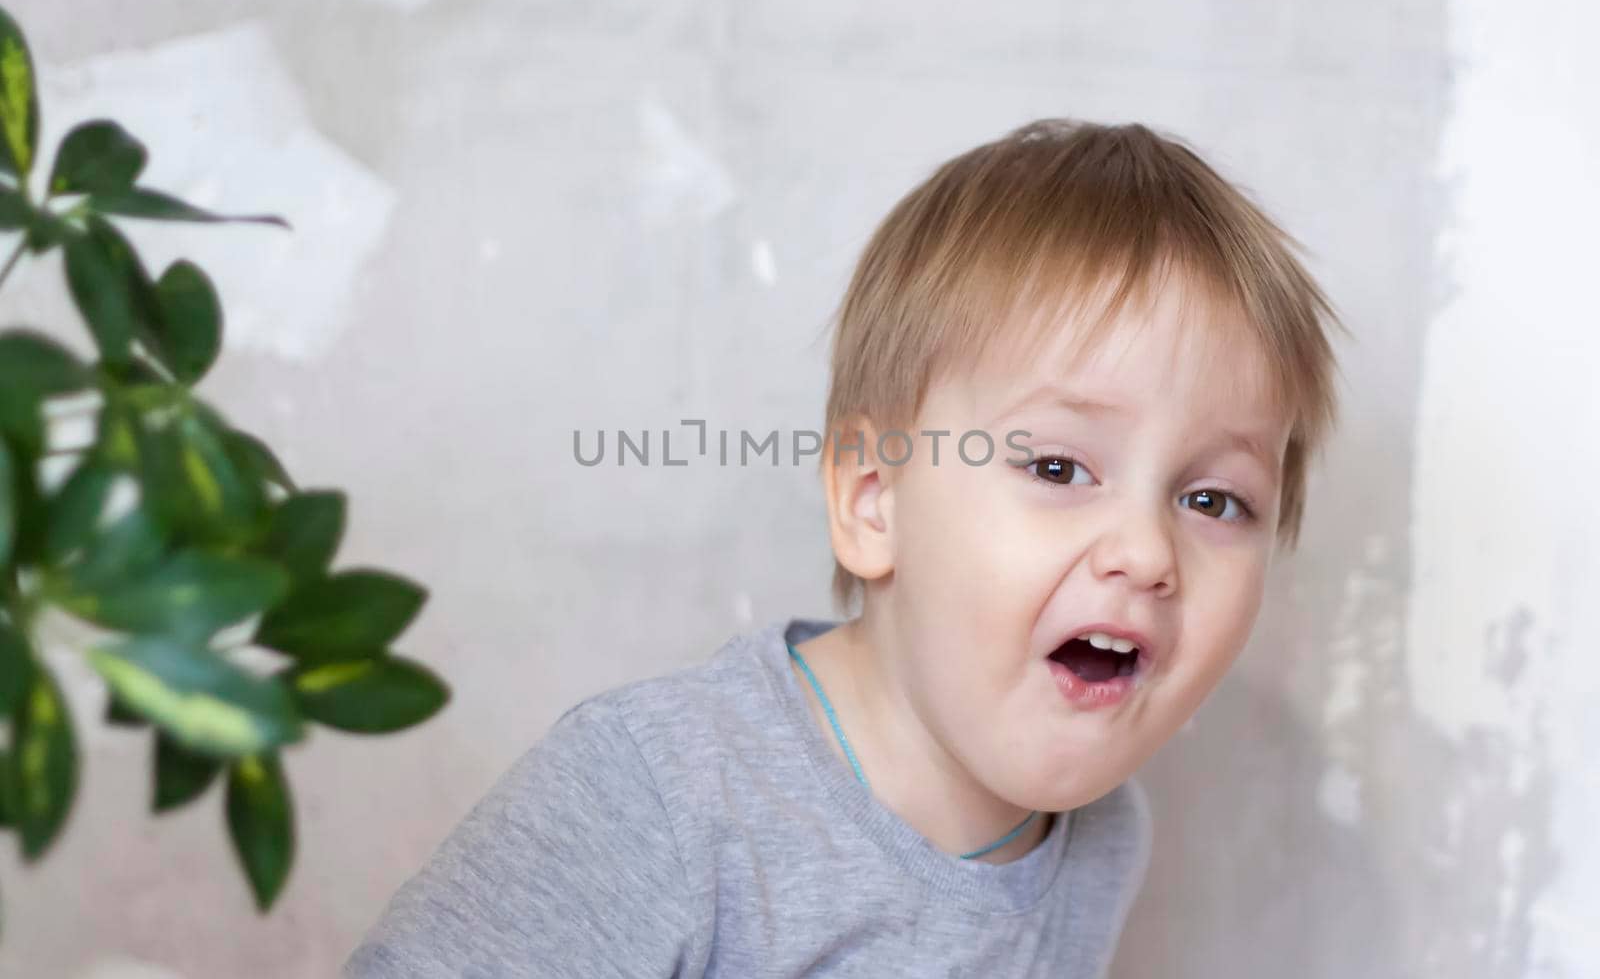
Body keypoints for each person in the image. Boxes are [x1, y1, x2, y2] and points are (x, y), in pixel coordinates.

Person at [343, 118, 1345, 977]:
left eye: (1213, 498)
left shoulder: (1102, 841)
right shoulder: (661, 793)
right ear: (875, 500)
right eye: (1056, 470)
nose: (1146, 551)